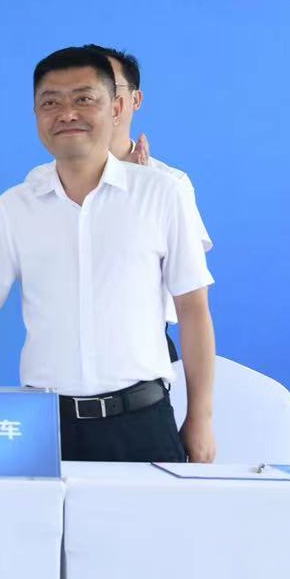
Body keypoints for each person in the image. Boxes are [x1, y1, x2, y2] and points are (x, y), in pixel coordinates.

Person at [0, 46, 217, 463]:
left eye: (84, 99)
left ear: (117, 107)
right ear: (36, 115)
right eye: (51, 102)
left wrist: (201, 418)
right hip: (45, 426)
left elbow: (193, 310)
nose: (67, 113)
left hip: (140, 422)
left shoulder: (163, 193)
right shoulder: (15, 207)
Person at [86, 44, 213, 364]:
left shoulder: (170, 183)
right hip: (66, 349)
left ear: (135, 100)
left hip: (144, 348)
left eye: (109, 87)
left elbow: (186, 290)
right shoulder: (49, 181)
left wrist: (138, 195)